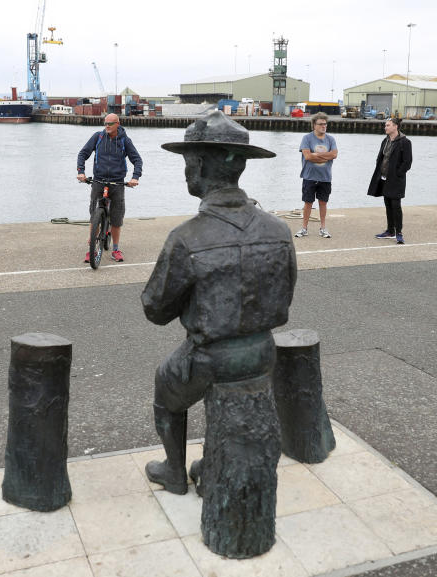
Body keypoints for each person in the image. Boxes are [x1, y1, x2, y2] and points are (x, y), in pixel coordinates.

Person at [141, 110, 297, 495]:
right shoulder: (279, 230)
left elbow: (155, 309)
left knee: (166, 388)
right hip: (263, 352)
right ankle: (212, 463)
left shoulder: (186, 238)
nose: (185, 169)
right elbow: (286, 291)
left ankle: (175, 471)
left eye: (187, 161)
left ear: (198, 164)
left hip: (212, 359)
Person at [76, 113, 142, 263]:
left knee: (117, 218)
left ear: (118, 124)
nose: (107, 126)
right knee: (94, 215)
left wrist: (135, 177)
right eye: (105, 123)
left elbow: (137, 160)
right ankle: (91, 248)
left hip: (117, 183)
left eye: (110, 123)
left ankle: (116, 249)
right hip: (98, 181)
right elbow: (83, 154)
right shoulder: (98, 137)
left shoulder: (125, 140)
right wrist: (81, 172)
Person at [367, 117, 413, 244]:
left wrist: (398, 174)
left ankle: (399, 233)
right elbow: (380, 158)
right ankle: (390, 231)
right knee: (387, 204)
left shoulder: (405, 142)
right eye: (385, 125)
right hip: (383, 178)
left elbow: (407, 162)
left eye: (388, 125)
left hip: (396, 179)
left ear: (395, 126)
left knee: (396, 205)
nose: (385, 127)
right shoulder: (385, 141)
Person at [295, 112, 338, 238]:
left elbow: (334, 155)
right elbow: (307, 156)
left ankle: (323, 228)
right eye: (320, 124)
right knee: (308, 202)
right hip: (309, 176)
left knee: (323, 203)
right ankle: (304, 228)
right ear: (314, 125)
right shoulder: (307, 138)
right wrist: (325, 156)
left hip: (325, 177)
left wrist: (316, 155)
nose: (324, 126)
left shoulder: (331, 139)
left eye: (325, 124)